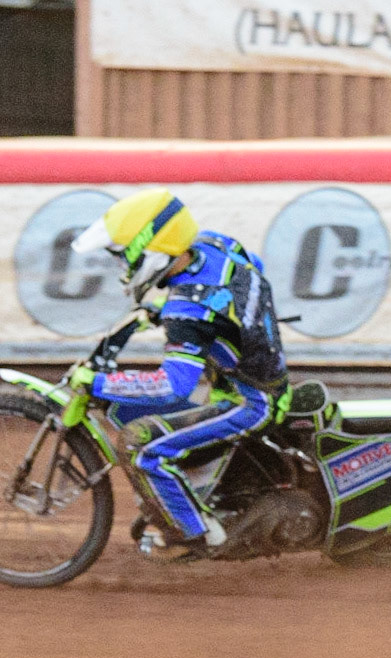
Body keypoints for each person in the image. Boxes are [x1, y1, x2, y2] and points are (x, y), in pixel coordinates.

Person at [68, 189, 288, 559]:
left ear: (152, 249)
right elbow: (253, 272)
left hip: (248, 400)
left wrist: (99, 383)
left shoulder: (186, 311)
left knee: (140, 445)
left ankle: (197, 536)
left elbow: (172, 386)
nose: (123, 268)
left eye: (125, 257)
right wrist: (177, 310)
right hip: (257, 372)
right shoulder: (215, 244)